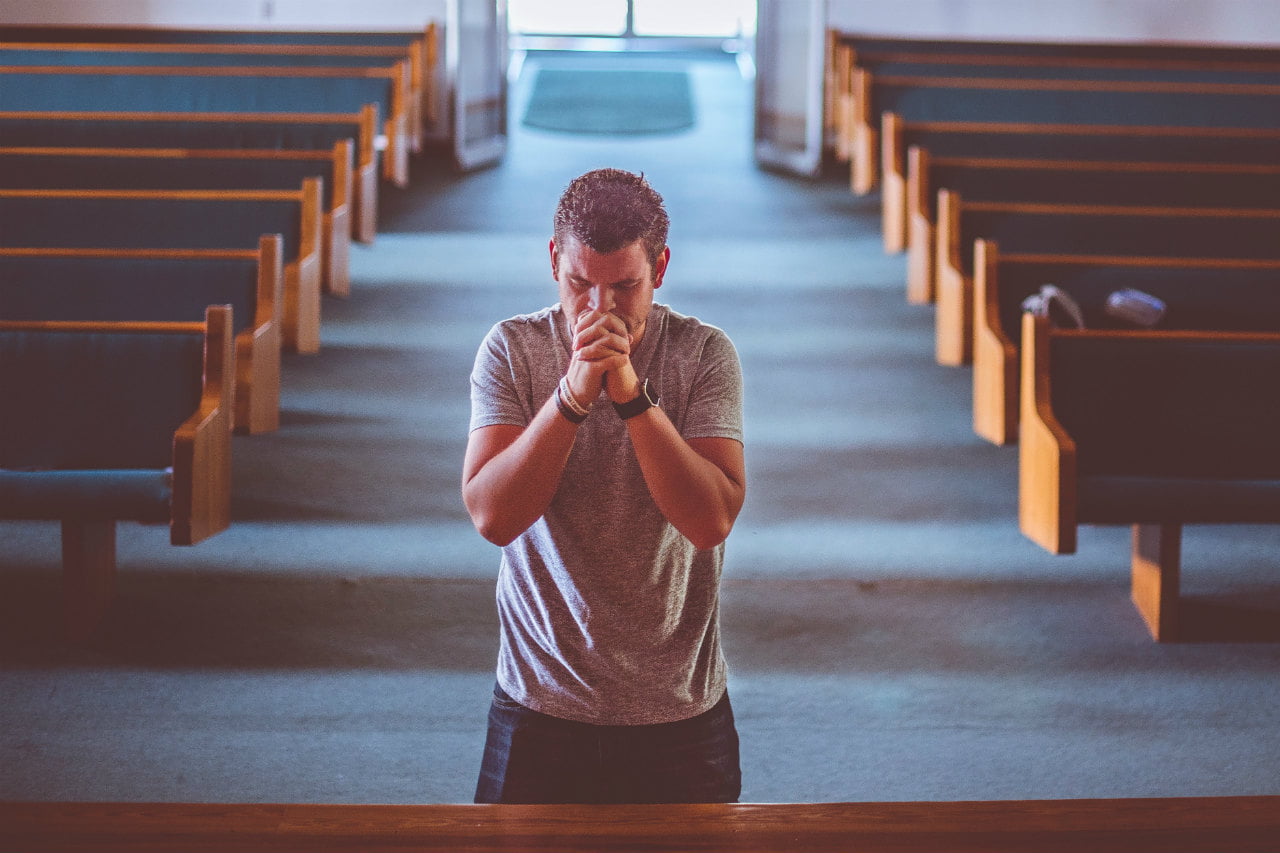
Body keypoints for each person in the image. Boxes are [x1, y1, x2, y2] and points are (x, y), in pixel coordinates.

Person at [462, 168, 747, 804]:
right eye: (579, 285)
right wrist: (569, 396)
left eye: (625, 287)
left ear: (661, 268)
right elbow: (493, 518)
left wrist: (630, 395)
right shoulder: (512, 350)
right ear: (554, 262)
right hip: (539, 701)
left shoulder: (703, 354)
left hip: (678, 708)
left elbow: (710, 521)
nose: (600, 310)